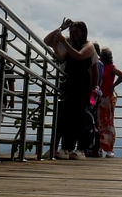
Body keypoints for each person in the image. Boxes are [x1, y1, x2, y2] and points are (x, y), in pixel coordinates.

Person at [44, 18, 99, 160]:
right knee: (65, 115)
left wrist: (63, 41)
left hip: (82, 84)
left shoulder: (89, 46)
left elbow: (79, 56)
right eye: (73, 32)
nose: (75, 34)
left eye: (77, 31)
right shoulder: (70, 44)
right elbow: (57, 52)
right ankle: (65, 147)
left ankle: (80, 148)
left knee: (79, 116)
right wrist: (60, 29)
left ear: (84, 32)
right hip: (69, 82)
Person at [97, 47, 122, 158]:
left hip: (107, 98)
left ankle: (109, 148)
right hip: (100, 97)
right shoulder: (101, 67)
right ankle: (100, 147)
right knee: (99, 122)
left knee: (108, 122)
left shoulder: (110, 68)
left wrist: (113, 86)